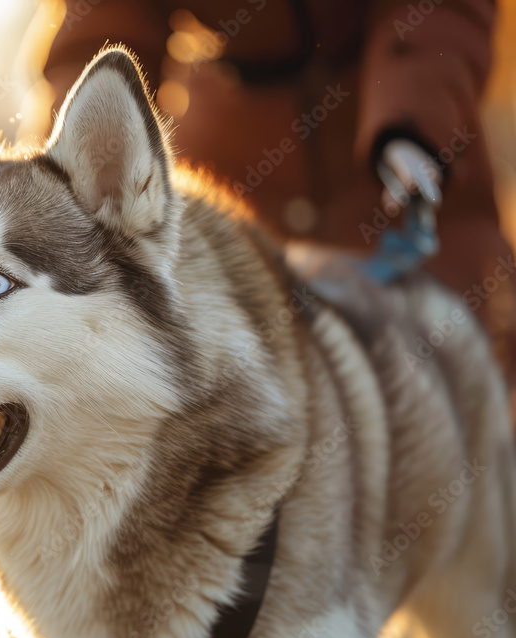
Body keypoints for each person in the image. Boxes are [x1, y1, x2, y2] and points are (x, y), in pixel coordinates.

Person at [40, 0, 514, 376]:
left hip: (398, 133)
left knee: (454, 371)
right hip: (235, 156)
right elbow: (103, 27)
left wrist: (413, 122)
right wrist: (63, 174)